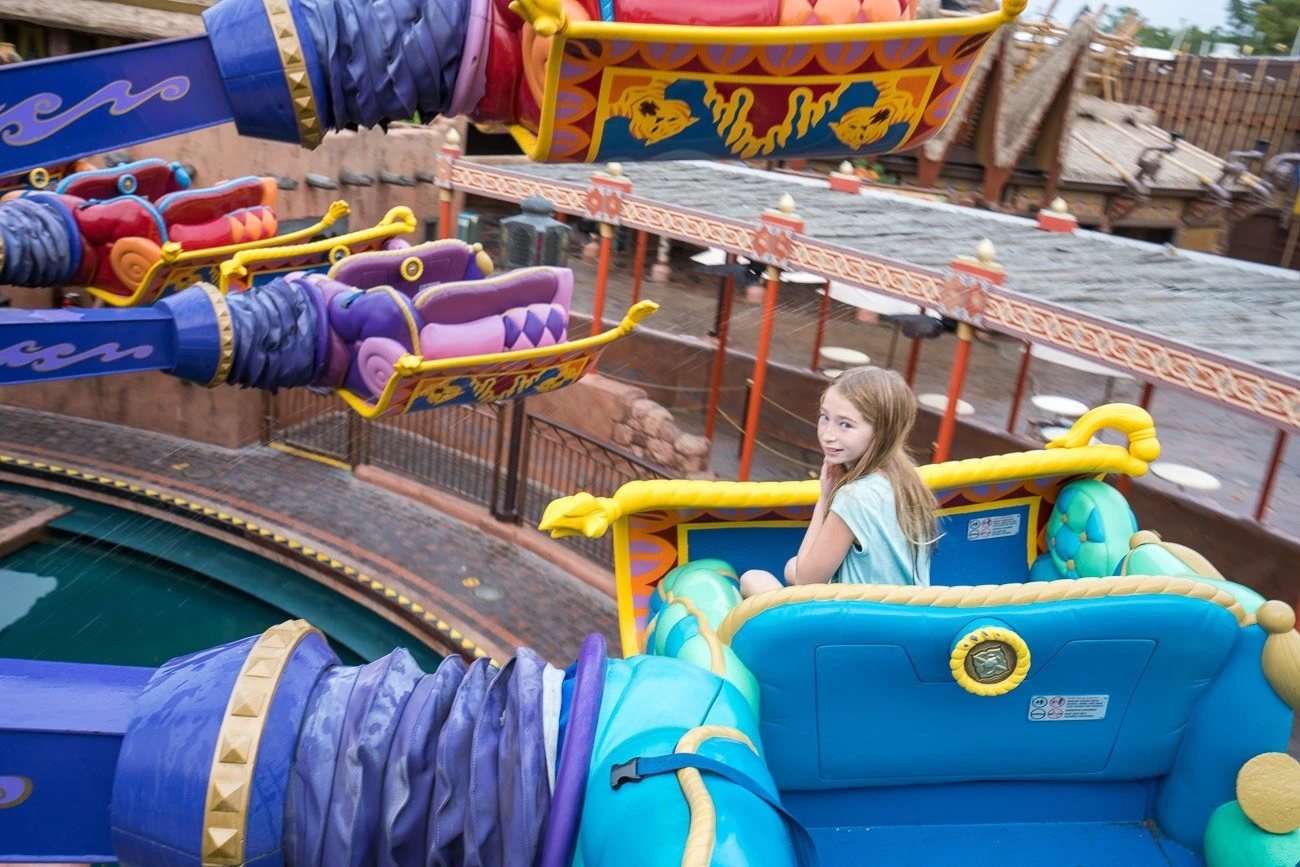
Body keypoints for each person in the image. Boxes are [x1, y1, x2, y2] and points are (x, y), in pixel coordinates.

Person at [739, 366, 937, 596]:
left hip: (854, 625)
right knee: (792, 567)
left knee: (753, 579)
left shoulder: (855, 496)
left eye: (845, 424)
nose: (828, 434)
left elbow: (806, 582)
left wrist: (825, 496)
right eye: (825, 418)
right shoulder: (906, 480)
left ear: (881, 432)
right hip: (901, 618)